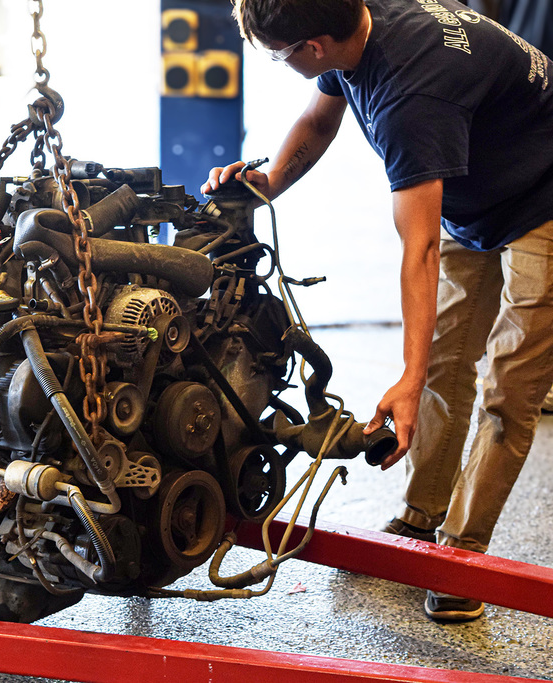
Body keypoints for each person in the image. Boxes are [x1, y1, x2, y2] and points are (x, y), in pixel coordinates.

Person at [204, 0, 553, 622]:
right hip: (485, 187)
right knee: (446, 359)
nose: (283, 66)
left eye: (280, 57)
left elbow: (417, 250)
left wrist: (406, 380)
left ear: (314, 46)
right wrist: (264, 186)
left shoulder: (411, 100)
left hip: (546, 196)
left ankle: (463, 561)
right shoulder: (352, 25)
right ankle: (422, 517)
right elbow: (318, 120)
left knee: (508, 384)